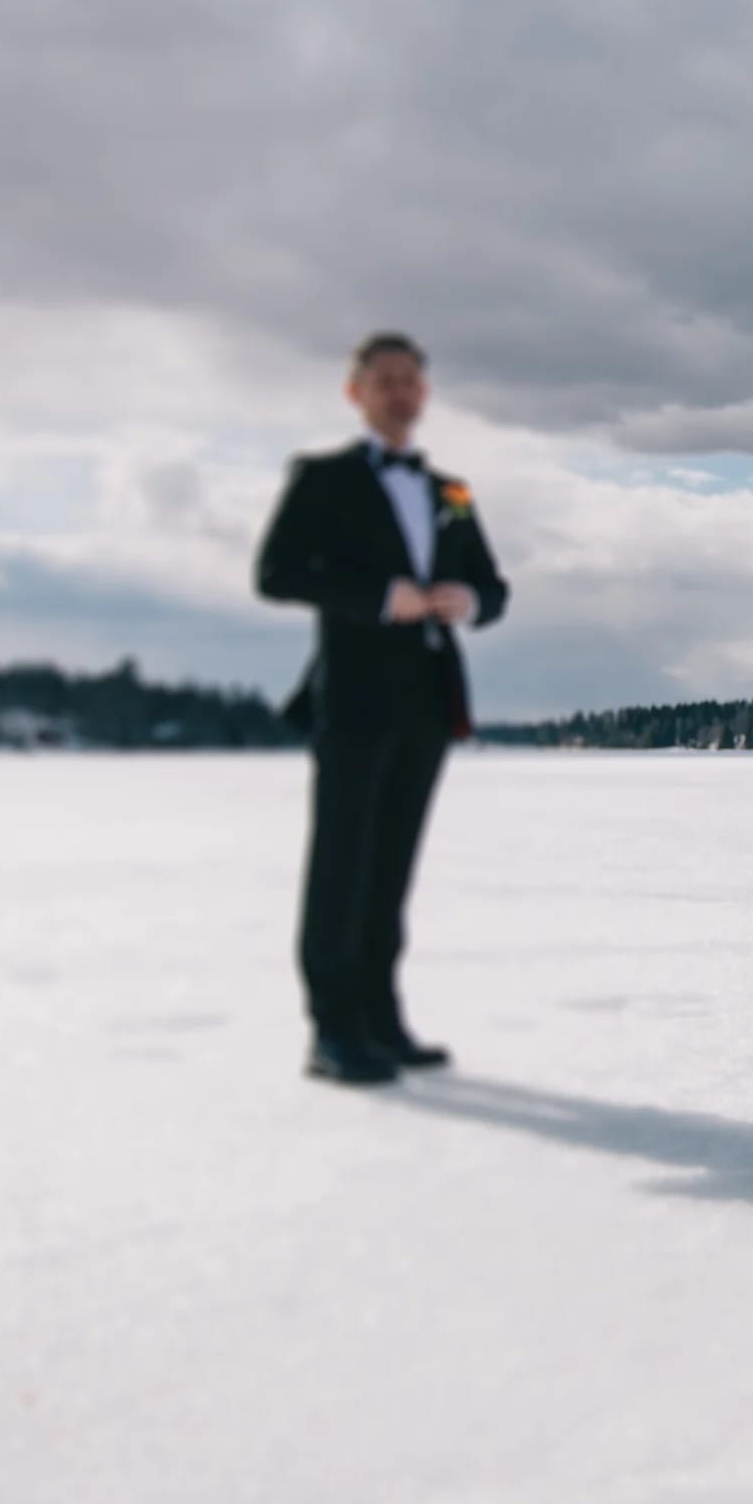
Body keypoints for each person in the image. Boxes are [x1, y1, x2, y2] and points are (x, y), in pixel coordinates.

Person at [255, 331, 508, 1086]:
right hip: (353, 696)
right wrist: (375, 597)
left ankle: (381, 1019)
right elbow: (277, 573)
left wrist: (469, 599)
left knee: (392, 867)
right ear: (355, 392)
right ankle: (333, 1031)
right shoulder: (323, 478)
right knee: (341, 867)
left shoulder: (450, 492)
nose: (400, 392)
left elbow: (493, 586)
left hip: (430, 698)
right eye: (384, 379)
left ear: (423, 393)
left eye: (410, 380)